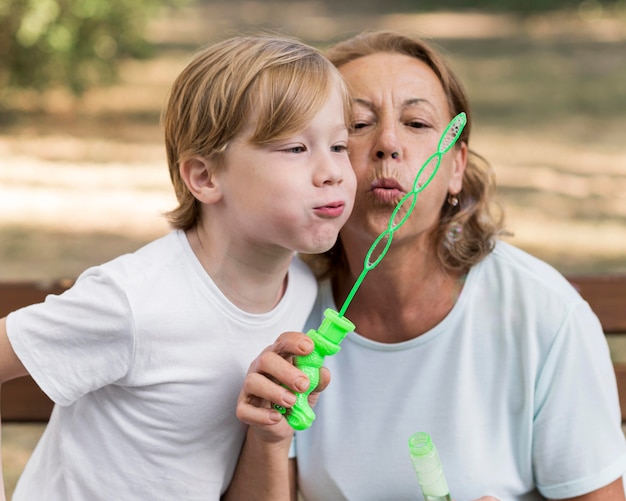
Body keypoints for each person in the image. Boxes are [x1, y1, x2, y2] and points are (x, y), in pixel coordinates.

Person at [234, 30, 626, 500]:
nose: (388, 144)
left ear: (456, 166)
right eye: (357, 125)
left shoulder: (543, 312)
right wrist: (269, 438)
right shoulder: (283, 309)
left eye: (417, 123)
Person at [0, 34, 356, 500]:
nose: (330, 171)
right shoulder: (134, 300)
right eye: (295, 148)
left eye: (340, 145)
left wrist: (272, 431)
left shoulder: (302, 291)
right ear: (206, 177)